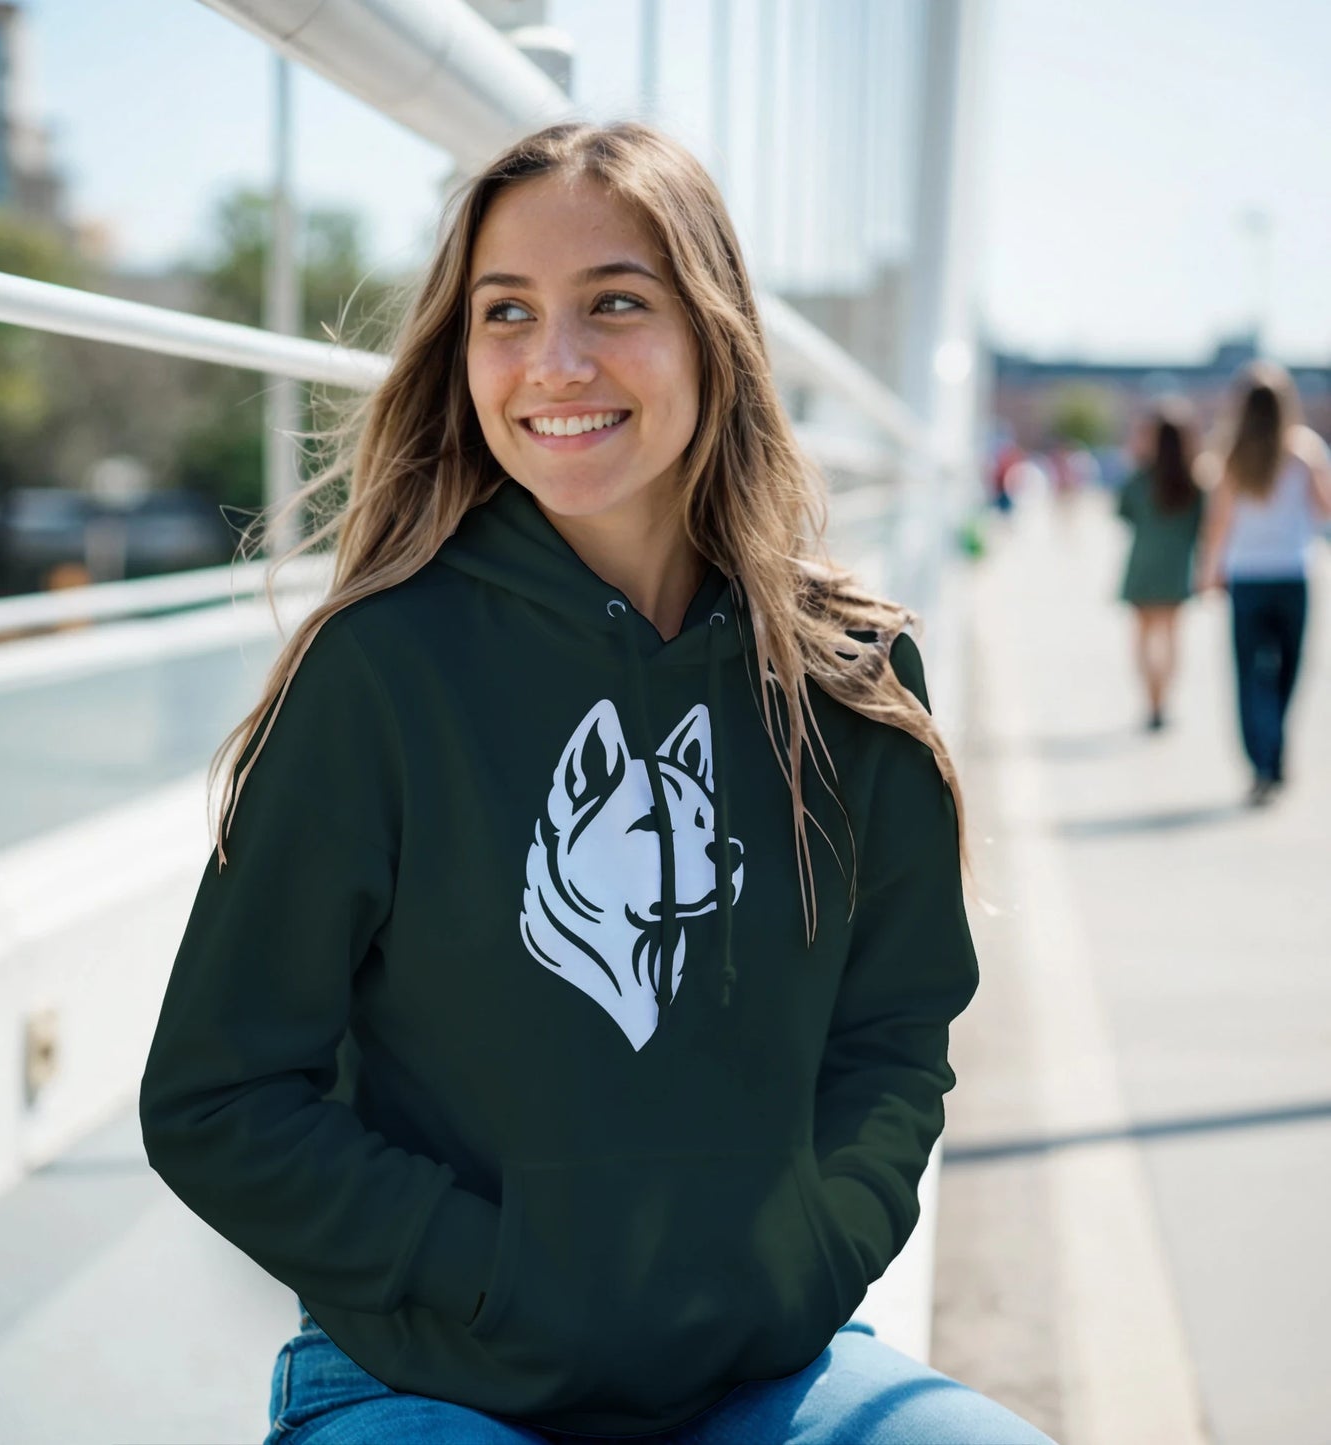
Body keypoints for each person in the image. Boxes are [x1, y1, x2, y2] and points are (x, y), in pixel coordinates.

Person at [138, 121, 1053, 1445]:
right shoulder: (383, 669)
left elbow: (894, 1036)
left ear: (712, 332)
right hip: (427, 1369)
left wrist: (808, 1253)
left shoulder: (851, 675)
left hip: (762, 1360)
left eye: (615, 303)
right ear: (463, 356)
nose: (554, 363)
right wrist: (497, 1275)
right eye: (506, 313)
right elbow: (217, 1097)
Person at [1196, 361, 1331, 805]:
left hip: (1248, 576)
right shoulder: (1305, 450)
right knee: (1289, 670)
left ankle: (1261, 759)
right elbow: (1325, 509)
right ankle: (1274, 749)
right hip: (1292, 573)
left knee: (1249, 674)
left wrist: (1208, 570)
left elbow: (1219, 522)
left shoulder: (1230, 454)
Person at [1114, 399, 1205, 730]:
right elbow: (1203, 529)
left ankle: (1150, 699)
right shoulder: (1196, 483)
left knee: (1142, 638)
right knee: (1170, 638)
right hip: (1176, 570)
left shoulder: (1140, 479)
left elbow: (1122, 513)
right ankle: (1163, 699)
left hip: (1143, 568)